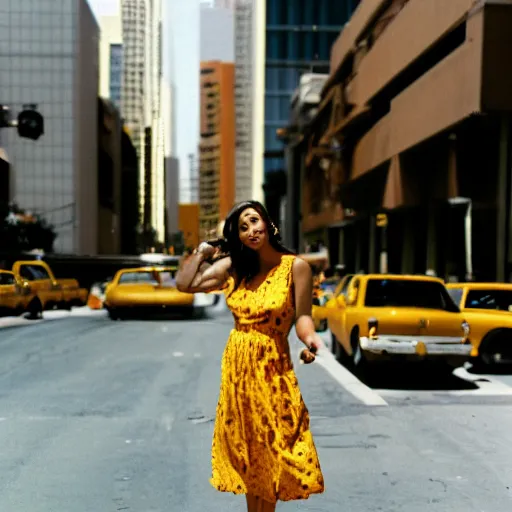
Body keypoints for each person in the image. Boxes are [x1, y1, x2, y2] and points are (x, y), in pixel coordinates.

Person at [176, 200, 325, 511]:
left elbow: (302, 317)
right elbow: (184, 284)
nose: (250, 230)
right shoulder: (235, 268)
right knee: (250, 455)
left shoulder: (295, 267)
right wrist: (203, 252)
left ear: (268, 224)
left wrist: (310, 341)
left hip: (272, 369)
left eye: (254, 221)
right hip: (238, 372)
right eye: (242, 228)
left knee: (272, 452)